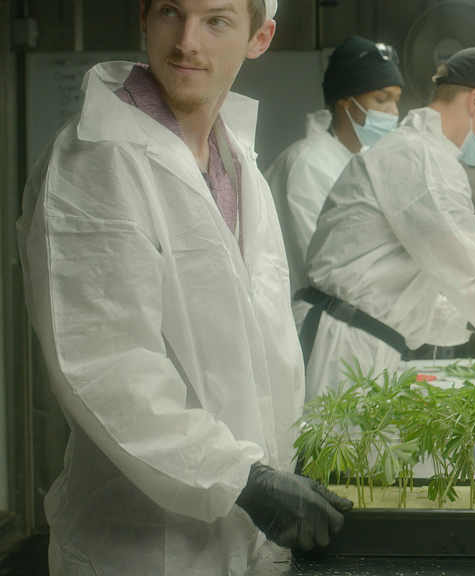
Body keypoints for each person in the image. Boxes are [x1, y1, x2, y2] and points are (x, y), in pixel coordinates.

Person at [16, 0, 352, 574]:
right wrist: (243, 477)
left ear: (260, 37)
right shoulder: (95, 161)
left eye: (217, 20)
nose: (187, 42)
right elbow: (105, 363)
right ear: (144, 17)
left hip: (247, 534)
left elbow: (263, 345)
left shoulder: (236, 160)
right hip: (142, 543)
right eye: (172, 12)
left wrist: (280, 462)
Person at [298, 47, 475, 397]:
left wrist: (469, 319)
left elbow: (398, 289)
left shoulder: (418, 153)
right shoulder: (422, 159)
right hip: (342, 350)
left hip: (355, 342)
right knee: (331, 449)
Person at [265, 35, 404, 326]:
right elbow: (326, 265)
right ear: (345, 100)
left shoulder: (362, 160)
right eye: (381, 99)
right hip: (308, 323)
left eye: (396, 100)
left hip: (347, 320)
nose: (393, 112)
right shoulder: (308, 162)